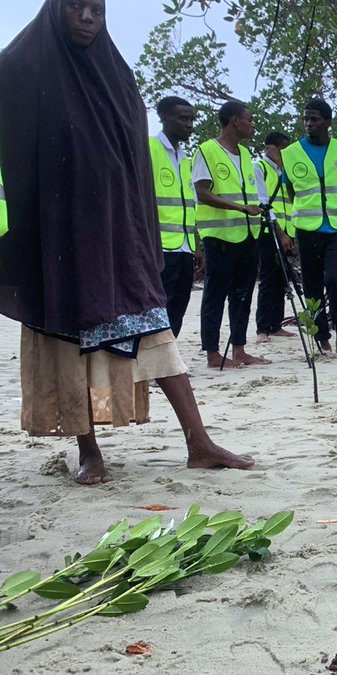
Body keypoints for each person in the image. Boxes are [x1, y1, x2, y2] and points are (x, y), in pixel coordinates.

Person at [0, 0, 253, 484]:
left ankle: (199, 442)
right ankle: (89, 451)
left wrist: (139, 232)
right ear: (56, 11)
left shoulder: (117, 77)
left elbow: (130, 162)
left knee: (155, 332)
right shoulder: (22, 69)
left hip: (120, 235)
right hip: (58, 238)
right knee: (67, 341)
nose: (88, 19)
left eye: (97, 10)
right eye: (77, 8)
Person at [282, 99, 337, 358]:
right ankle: (321, 338)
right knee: (312, 286)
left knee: (334, 280)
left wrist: (336, 207)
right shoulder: (292, 152)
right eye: (306, 119)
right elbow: (291, 190)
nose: (308, 124)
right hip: (307, 229)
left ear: (327, 121)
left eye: (314, 119)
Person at [193, 100, 271, 368]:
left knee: (243, 293)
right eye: (249, 119)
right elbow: (202, 192)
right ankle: (213, 354)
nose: (252, 124)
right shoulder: (206, 150)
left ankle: (239, 349)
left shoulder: (247, 155)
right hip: (220, 236)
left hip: (248, 234)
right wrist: (240, 208)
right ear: (234, 121)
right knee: (215, 294)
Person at [151, 96, 200, 338]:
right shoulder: (149, 149)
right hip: (160, 246)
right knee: (159, 306)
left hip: (185, 246)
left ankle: (168, 363)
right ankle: (152, 364)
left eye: (191, 119)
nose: (189, 124)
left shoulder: (185, 159)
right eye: (183, 118)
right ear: (163, 118)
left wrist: (197, 245)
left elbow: (190, 206)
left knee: (179, 304)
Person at [255, 131, 297, 343]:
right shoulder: (260, 168)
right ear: (269, 148)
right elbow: (263, 203)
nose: (283, 154)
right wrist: (280, 233)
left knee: (283, 278)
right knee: (269, 278)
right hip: (269, 231)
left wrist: (290, 233)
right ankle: (262, 327)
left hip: (288, 232)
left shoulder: (286, 171)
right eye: (281, 149)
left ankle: (276, 325)